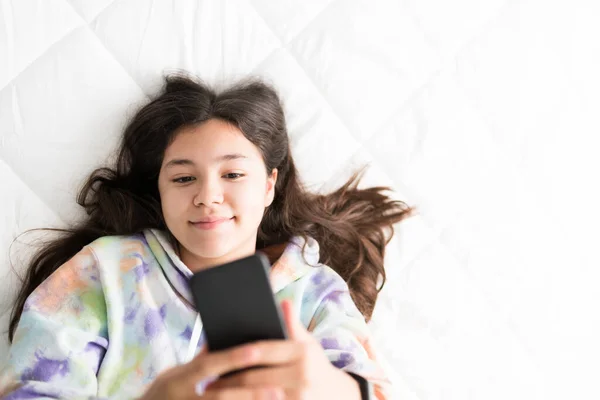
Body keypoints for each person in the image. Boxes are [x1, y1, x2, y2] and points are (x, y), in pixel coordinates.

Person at [0, 72, 414, 399]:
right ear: (158, 189)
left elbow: (374, 390)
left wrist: (335, 391)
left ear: (269, 185)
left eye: (233, 174)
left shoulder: (317, 293)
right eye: (183, 178)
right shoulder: (103, 272)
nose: (207, 197)